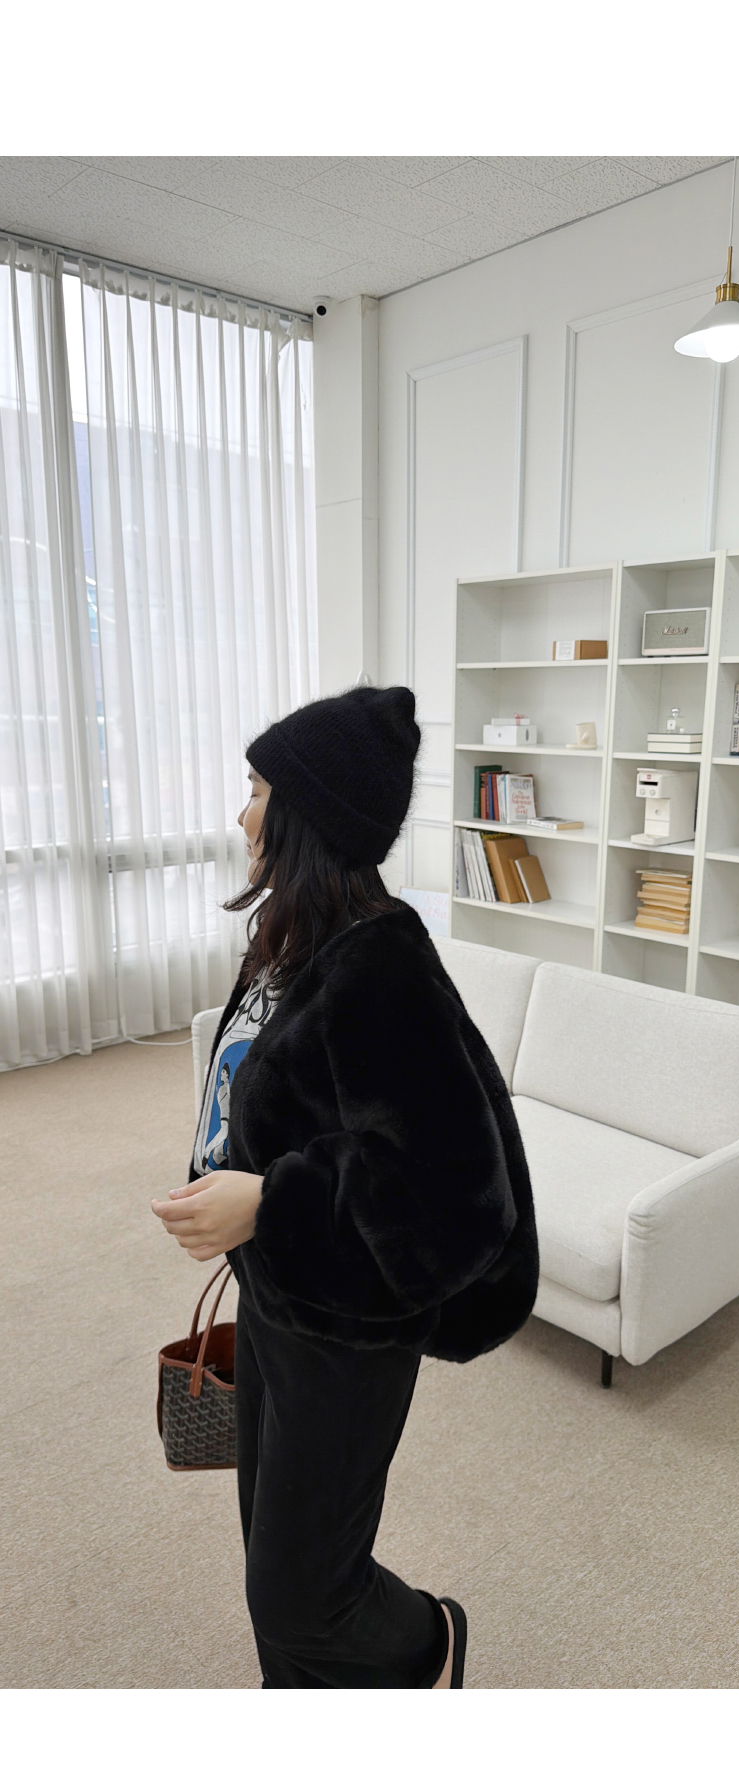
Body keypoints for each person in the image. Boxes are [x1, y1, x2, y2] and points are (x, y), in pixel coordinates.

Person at [151, 684, 539, 1689]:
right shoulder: (289, 935)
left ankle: (432, 1641)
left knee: (303, 1595)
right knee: (269, 1563)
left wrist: (268, 1200)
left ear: (306, 813)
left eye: (256, 791)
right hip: (277, 1294)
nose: (241, 814)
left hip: (350, 1329)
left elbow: (455, 1192)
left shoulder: (381, 963)